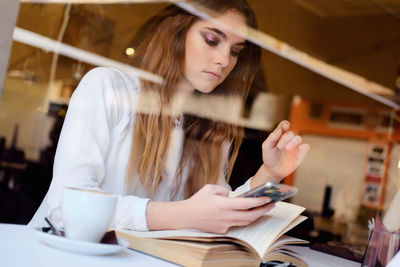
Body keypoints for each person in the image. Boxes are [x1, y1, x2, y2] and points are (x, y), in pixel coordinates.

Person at [29, 0, 310, 234]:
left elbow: (216, 214)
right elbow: (65, 205)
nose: (225, 60)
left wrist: (270, 173)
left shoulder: (209, 127)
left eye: (236, 51)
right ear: (177, 32)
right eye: (212, 40)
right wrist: (183, 215)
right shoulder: (107, 86)